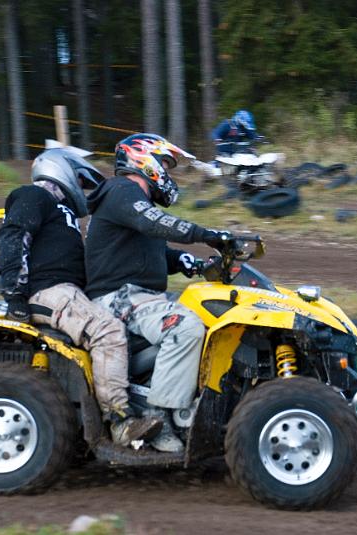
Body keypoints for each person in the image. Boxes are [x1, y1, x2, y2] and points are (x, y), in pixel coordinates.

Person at [0, 146, 163, 447]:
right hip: (49, 291)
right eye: (82, 181)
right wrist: (15, 293)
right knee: (107, 330)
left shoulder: (64, 214)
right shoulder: (34, 195)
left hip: (70, 293)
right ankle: (120, 421)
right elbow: (14, 236)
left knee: (124, 328)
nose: (85, 189)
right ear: (63, 171)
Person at [84, 133, 232, 453]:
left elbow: (157, 252)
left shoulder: (134, 205)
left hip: (139, 297)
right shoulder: (121, 191)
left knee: (209, 315)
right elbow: (155, 223)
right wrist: (206, 235)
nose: (168, 172)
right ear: (142, 160)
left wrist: (192, 263)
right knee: (185, 326)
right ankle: (159, 417)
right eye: (165, 164)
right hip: (117, 299)